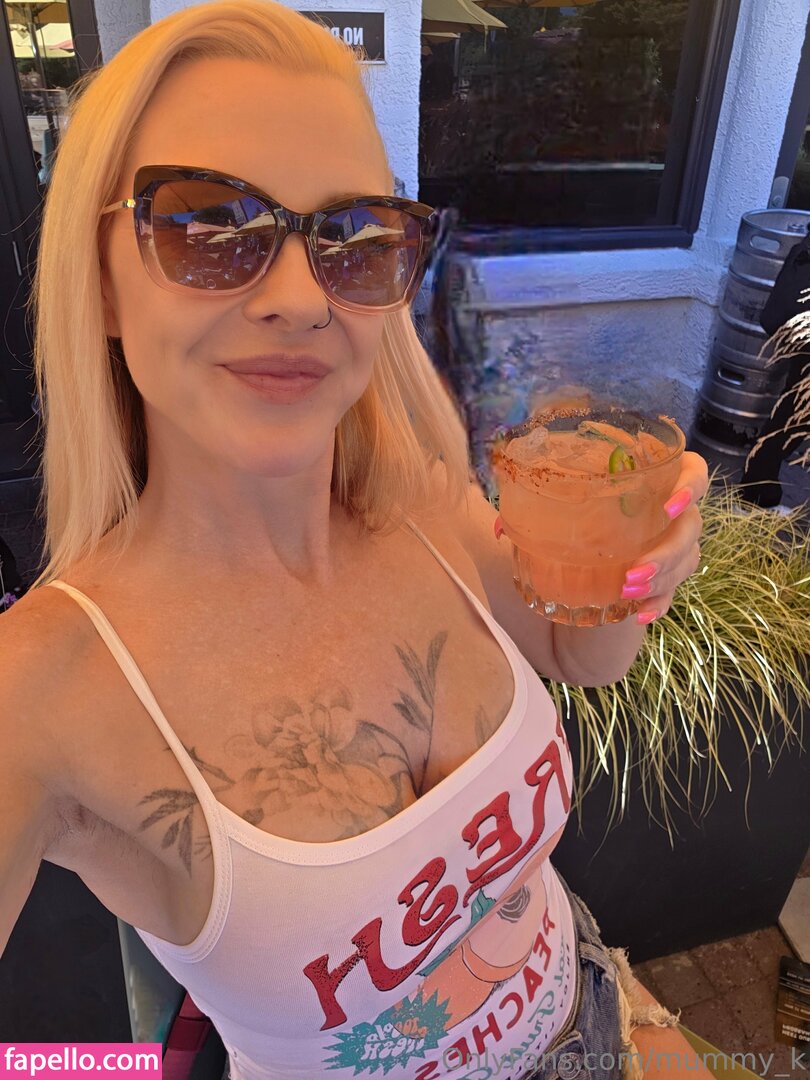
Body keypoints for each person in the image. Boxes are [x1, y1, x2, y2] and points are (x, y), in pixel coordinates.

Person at [0, 1, 711, 1076]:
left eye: (353, 239)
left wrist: (633, 569)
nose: (298, 298)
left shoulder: (421, 506)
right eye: (208, 227)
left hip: (603, 1012)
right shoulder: (41, 692)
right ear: (97, 279)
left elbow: (580, 654)